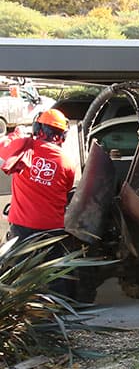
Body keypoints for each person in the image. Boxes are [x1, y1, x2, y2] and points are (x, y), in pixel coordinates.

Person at [0, 109, 76, 292]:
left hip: (22, 226)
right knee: (55, 271)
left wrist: (16, 134)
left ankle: (21, 310)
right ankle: (59, 311)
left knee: (16, 272)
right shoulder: (67, 162)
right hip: (53, 227)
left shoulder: (24, 149)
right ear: (62, 135)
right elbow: (66, 189)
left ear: (38, 128)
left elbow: (3, 147)